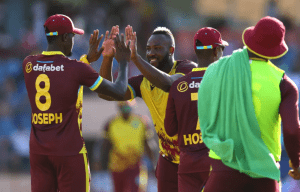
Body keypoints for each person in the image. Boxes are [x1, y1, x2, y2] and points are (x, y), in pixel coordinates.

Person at [22, 14, 131, 192]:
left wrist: (87, 59)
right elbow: (117, 91)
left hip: (39, 152)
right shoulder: (76, 69)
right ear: (65, 38)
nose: (73, 41)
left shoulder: (29, 64)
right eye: (72, 37)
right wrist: (124, 62)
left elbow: (59, 76)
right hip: (69, 152)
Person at [197, 16, 300, 192]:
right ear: (276, 50)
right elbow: (291, 130)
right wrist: (296, 164)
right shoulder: (283, 83)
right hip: (264, 174)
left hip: (223, 171)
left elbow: (203, 115)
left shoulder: (216, 71)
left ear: (250, 39)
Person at [99, 25, 197, 191]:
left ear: (172, 50)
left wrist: (135, 58)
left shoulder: (187, 69)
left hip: (194, 155)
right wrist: (108, 58)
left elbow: (168, 84)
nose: (151, 52)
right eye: (148, 48)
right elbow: (107, 93)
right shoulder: (143, 82)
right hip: (168, 157)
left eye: (158, 48)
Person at [164, 27, 228, 191]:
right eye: (222, 49)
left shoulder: (178, 86)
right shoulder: (226, 82)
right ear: (215, 52)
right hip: (218, 162)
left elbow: (170, 130)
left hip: (188, 165)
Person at [100, 101, 157, 192]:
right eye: (123, 108)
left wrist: (154, 164)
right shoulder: (111, 123)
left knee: (137, 189)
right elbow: (105, 144)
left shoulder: (141, 122)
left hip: (136, 164)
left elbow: (148, 143)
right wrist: (101, 161)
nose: (126, 111)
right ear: (119, 108)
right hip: (117, 165)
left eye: (128, 108)